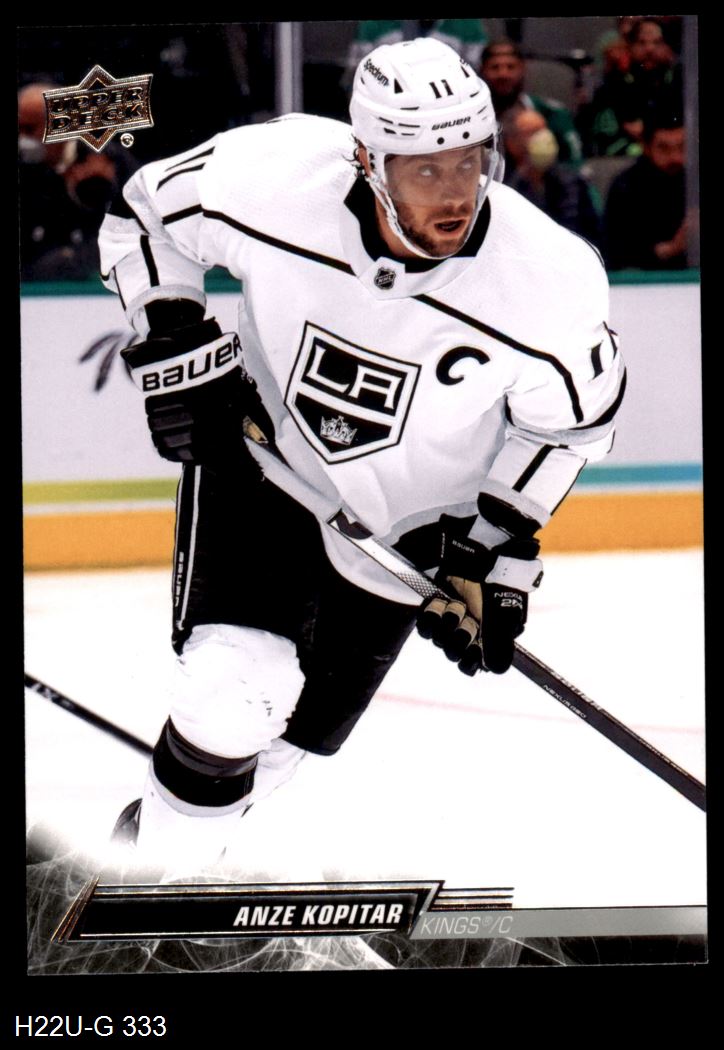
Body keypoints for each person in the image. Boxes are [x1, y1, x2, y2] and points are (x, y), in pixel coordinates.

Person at [99, 38, 625, 873]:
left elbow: (569, 428)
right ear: (367, 160)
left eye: (469, 161)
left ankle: (162, 842)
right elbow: (146, 216)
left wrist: (491, 544)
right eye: (426, 170)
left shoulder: (548, 279)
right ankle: (148, 887)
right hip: (264, 466)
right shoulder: (276, 176)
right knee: (233, 695)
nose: (455, 193)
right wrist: (174, 341)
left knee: (283, 752)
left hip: (403, 535)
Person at [19, 82, 137, 281]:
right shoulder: (26, 169)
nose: (22, 139)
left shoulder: (108, 161)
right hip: (39, 280)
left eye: (29, 129)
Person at [603, 109, 690, 270]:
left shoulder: (693, 180)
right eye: (664, 148)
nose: (675, 157)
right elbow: (617, 252)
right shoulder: (626, 187)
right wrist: (669, 249)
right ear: (646, 146)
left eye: (682, 147)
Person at [503, 109, 602, 247]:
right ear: (511, 143)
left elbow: (587, 233)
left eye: (544, 128)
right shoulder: (504, 189)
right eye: (533, 132)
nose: (544, 137)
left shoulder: (572, 182)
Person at [480, 40, 583, 167]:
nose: (503, 74)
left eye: (510, 67)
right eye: (495, 67)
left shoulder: (553, 114)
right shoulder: (470, 118)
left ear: (523, 69)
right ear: (482, 71)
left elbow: (575, 166)